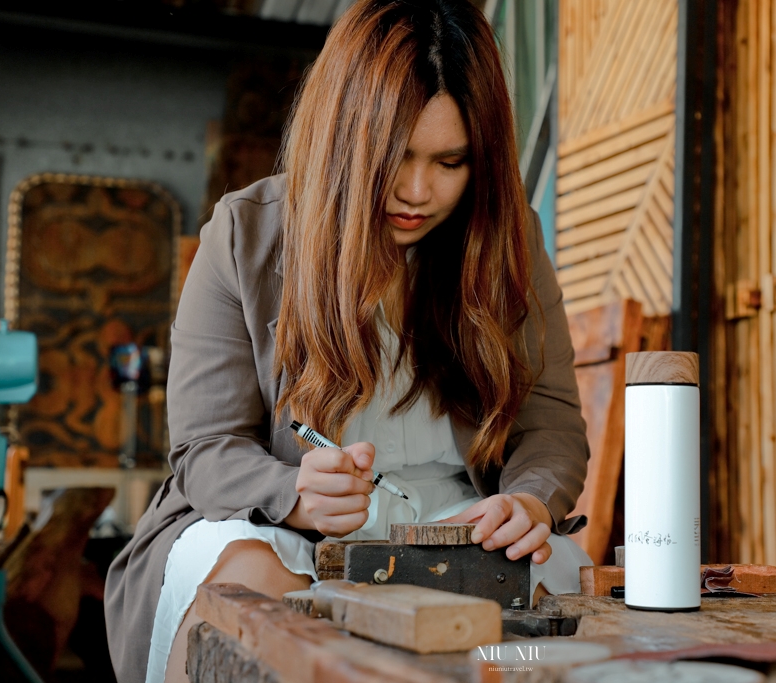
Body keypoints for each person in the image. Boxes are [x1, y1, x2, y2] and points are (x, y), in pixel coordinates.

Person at [104, 1, 591, 681]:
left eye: (450, 162)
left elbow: (552, 421)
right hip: (277, 525)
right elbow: (204, 449)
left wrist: (531, 499)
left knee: (550, 594)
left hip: (459, 529)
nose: (418, 191)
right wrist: (294, 492)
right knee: (248, 589)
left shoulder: (508, 240)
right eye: (396, 157)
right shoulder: (247, 233)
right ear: (344, 135)